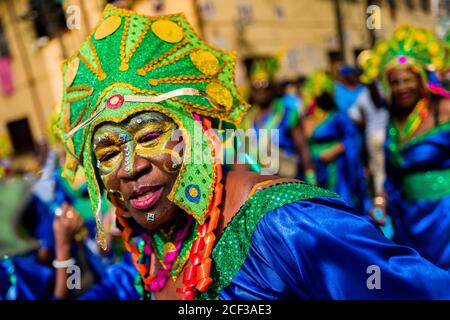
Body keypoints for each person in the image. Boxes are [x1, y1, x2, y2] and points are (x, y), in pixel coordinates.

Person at [54, 5, 450, 300]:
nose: (131, 167)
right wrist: (63, 251)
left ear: (195, 134)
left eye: (150, 135)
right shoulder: (150, 251)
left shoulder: (285, 225)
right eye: (107, 154)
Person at [362, 25, 450, 270]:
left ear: (421, 78)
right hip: (408, 216)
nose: (402, 88)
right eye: (395, 82)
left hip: (444, 215)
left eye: (407, 80)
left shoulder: (443, 110)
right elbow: (393, 175)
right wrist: (380, 201)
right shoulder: (393, 120)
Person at [300, 71, 370, 212]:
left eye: (325, 93)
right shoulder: (307, 117)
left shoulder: (337, 116)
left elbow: (353, 137)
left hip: (334, 168)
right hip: (313, 169)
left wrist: (335, 150)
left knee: (337, 204)